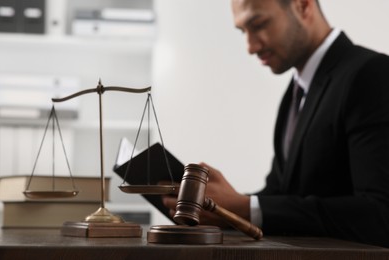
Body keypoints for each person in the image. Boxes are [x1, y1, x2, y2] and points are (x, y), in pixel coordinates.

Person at [162, 0, 389, 247]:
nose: (249, 46)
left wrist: (245, 208)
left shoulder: (372, 73)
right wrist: (222, 208)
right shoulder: (295, 93)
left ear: (303, 6)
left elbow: (381, 214)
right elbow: (281, 194)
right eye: (242, 31)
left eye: (258, 24)